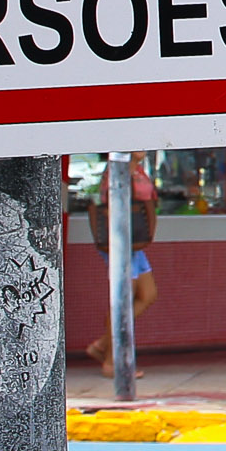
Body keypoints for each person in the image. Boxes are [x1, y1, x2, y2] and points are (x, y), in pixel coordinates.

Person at [81, 153, 159, 376]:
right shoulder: (117, 169)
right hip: (121, 239)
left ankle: (103, 344)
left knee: (148, 293)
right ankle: (112, 362)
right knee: (124, 299)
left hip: (135, 241)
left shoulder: (139, 169)